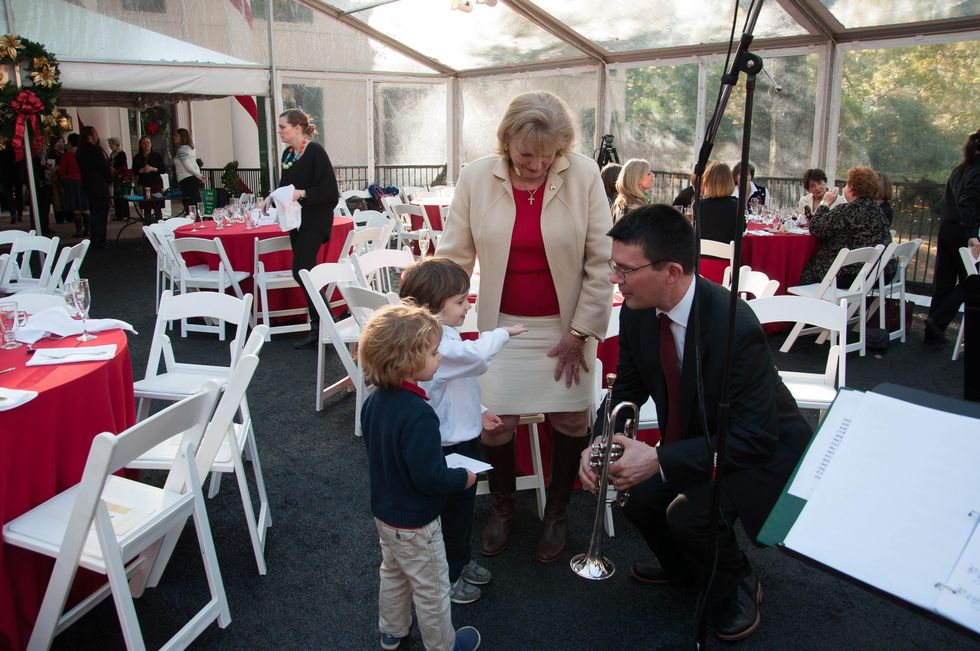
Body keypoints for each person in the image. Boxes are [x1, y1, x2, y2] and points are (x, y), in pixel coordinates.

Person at [580, 205, 812, 642]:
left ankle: (737, 583)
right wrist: (599, 443)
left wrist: (661, 458)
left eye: (626, 269)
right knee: (642, 497)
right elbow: (626, 388)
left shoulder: (733, 326)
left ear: (671, 271)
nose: (616, 279)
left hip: (762, 455)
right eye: (614, 266)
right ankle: (686, 569)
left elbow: (755, 438)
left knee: (688, 515)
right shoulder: (636, 311)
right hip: (700, 441)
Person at [437, 90, 613, 564]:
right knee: (496, 427)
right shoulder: (476, 177)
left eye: (548, 154)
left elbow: (602, 261)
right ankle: (503, 506)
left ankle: (557, 511)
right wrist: (433, 315)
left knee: (571, 419)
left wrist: (580, 333)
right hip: (503, 328)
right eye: (525, 154)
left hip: (567, 327)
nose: (537, 164)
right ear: (506, 142)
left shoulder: (584, 175)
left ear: (563, 147)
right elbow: (454, 256)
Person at [399, 258, 527, 605]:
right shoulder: (435, 343)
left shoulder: (443, 335)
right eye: (459, 301)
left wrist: (481, 411)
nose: (467, 305)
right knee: (448, 513)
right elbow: (473, 359)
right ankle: (448, 577)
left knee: (462, 509)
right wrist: (501, 334)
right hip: (444, 445)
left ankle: (457, 560)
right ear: (431, 307)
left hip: (461, 436)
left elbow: (458, 387)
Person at [359, 303, 482, 651]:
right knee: (432, 589)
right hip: (417, 522)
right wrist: (463, 478)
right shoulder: (420, 414)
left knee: (393, 573)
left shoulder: (374, 401)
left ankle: (392, 630)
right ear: (407, 360)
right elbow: (430, 478)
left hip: (385, 513)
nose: (440, 356)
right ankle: (443, 645)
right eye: (432, 351)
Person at [262, 108, 340, 350]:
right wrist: (270, 197)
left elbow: (330, 191)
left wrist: (303, 193)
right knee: (305, 271)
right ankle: (324, 326)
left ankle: (325, 325)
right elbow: (285, 186)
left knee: (301, 270)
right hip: (296, 221)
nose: (280, 132)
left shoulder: (315, 152)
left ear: (297, 128)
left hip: (315, 220)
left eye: (282, 127)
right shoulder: (289, 154)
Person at [925, 130, 980, 345]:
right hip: (963, 231)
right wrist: (971, 234)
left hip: (948, 228)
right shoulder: (976, 171)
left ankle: (933, 329)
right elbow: (967, 202)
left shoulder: (961, 169)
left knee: (944, 281)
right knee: (972, 281)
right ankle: (938, 321)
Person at [799, 166, 893, 288]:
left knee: (804, 269)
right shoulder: (877, 210)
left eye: (847, 184)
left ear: (852, 188)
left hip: (848, 275)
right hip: (878, 273)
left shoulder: (847, 210)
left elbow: (816, 228)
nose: (845, 187)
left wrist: (825, 203)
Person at [75, 126, 113, 249]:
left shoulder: (80, 152)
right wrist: (110, 177)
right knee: (101, 214)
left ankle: (96, 238)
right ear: (91, 136)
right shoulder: (94, 150)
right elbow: (103, 167)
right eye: (95, 133)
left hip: (89, 186)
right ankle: (99, 240)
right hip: (99, 186)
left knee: (95, 213)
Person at [697, 161, 739, 244]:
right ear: (729, 182)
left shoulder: (698, 204)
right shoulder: (736, 205)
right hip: (727, 255)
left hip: (702, 254)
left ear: (706, 182)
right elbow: (742, 230)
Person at [58, 133, 89, 237]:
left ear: (70, 142)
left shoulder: (66, 155)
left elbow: (62, 171)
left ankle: (79, 229)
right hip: (84, 179)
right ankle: (88, 229)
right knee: (85, 205)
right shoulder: (83, 154)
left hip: (71, 181)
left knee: (76, 206)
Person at [131, 136, 165, 223]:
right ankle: (147, 229)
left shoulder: (157, 156)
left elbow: (163, 169)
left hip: (156, 183)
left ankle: (160, 228)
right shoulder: (137, 157)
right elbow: (134, 171)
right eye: (144, 143)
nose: (146, 145)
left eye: (148, 143)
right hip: (144, 184)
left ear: (151, 144)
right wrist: (141, 170)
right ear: (141, 145)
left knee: (157, 207)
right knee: (147, 208)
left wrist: (152, 168)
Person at [173, 128, 207, 213]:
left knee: (190, 205)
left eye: (176, 135)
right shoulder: (188, 148)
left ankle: (194, 222)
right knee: (195, 203)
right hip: (191, 179)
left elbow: (187, 165)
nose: (174, 137)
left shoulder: (182, 150)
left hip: (187, 180)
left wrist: (198, 175)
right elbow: (194, 164)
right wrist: (198, 175)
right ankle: (198, 221)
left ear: (182, 137)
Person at [612, 158, 653, 222]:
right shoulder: (637, 209)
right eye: (648, 174)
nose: (653, 175)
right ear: (638, 179)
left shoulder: (619, 204)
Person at [107, 137, 129, 221]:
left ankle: (124, 214)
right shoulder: (112, 154)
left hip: (121, 176)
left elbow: (123, 165)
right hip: (115, 176)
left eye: (111, 144)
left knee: (122, 194)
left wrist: (116, 169)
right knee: (116, 195)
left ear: (115, 144)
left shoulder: (121, 153)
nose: (109, 145)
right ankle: (118, 214)